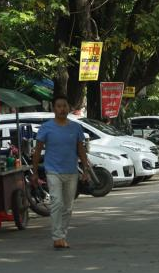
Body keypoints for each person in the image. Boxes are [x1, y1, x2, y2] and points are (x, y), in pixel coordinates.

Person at [31, 95, 90, 249]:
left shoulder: (76, 128)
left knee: (68, 207)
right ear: (53, 108)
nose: (62, 109)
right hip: (53, 171)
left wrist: (86, 169)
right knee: (56, 202)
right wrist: (35, 171)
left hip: (71, 172)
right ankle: (57, 237)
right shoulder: (46, 127)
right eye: (59, 106)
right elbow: (37, 151)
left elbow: (81, 150)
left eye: (64, 106)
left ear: (69, 108)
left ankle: (62, 235)